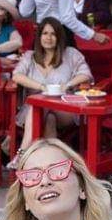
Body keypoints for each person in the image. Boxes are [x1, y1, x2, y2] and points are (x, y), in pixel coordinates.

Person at [12, 17, 94, 147]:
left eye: (53, 34)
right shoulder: (30, 56)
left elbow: (85, 74)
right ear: (39, 37)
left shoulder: (71, 54)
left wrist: (67, 85)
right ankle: (51, 158)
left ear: (59, 37)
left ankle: (22, 152)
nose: (48, 38)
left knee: (42, 104)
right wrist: (42, 87)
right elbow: (17, 76)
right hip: (33, 110)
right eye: (45, 33)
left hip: (65, 108)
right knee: (48, 118)